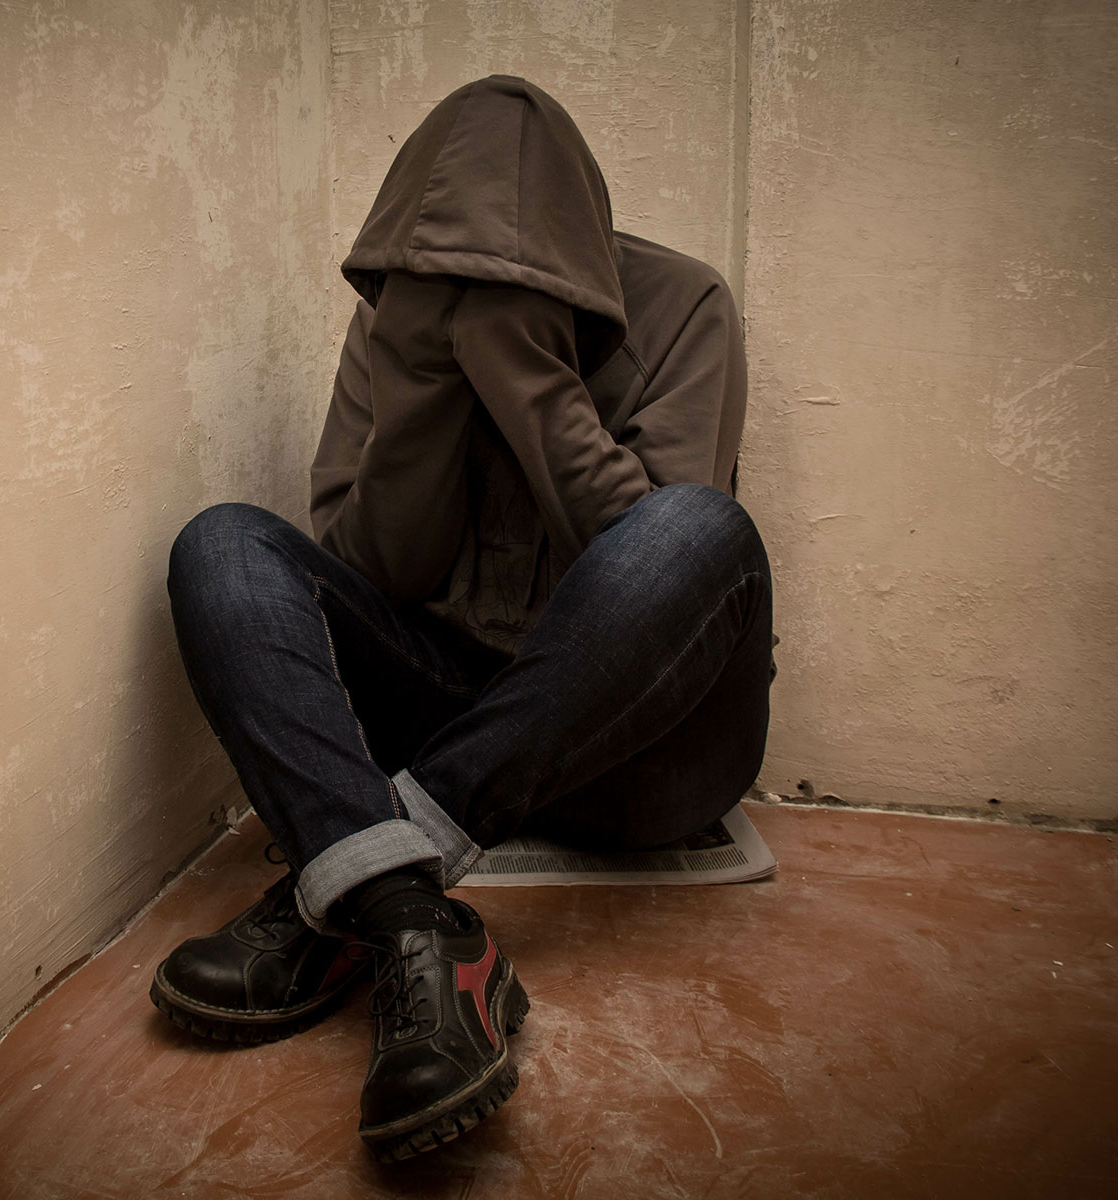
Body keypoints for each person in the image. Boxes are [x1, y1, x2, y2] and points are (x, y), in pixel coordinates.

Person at [148, 75, 774, 1162]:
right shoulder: (396, 313)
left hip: (645, 754)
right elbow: (370, 572)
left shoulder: (687, 305)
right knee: (225, 544)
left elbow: (650, 574)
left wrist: (523, 367)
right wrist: (424, 371)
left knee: (701, 530)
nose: (455, 292)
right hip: (447, 718)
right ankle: (405, 914)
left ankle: (348, 874)